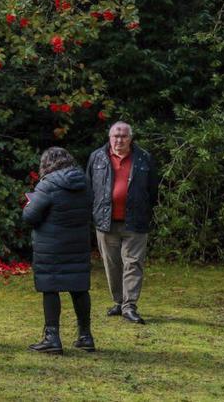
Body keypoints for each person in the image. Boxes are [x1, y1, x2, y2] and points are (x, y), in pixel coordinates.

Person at [23, 147, 96, 353]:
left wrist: (28, 204)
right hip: (78, 242)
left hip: (51, 245)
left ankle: (52, 337)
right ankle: (85, 335)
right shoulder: (85, 183)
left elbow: (30, 216)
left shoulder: (47, 185)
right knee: (79, 287)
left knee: (51, 287)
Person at [88, 121, 159, 324]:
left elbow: (152, 190)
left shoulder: (144, 158)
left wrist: (144, 209)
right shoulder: (97, 157)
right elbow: (89, 185)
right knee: (112, 264)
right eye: (115, 136)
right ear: (109, 137)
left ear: (131, 138)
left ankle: (130, 306)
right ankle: (118, 302)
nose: (119, 140)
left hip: (135, 220)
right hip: (105, 220)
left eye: (123, 136)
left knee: (133, 263)